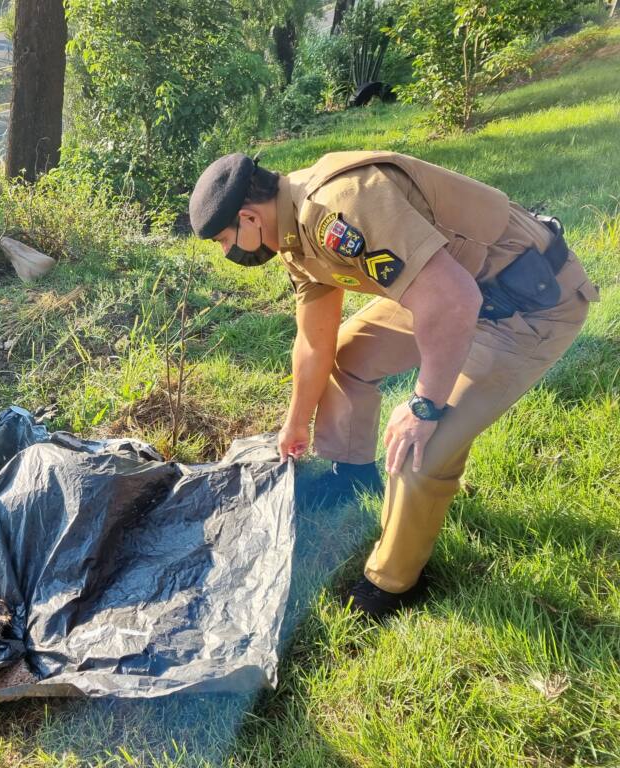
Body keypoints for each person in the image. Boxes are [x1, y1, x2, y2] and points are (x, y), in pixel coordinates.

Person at [188, 151, 599, 619]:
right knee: (349, 354)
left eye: (224, 239)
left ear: (247, 216)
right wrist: (295, 424)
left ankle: (393, 583)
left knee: (422, 448)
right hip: (451, 289)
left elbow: (455, 302)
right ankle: (352, 472)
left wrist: (425, 407)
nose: (227, 252)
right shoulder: (292, 231)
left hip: (523, 306)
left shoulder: (336, 210)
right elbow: (314, 344)